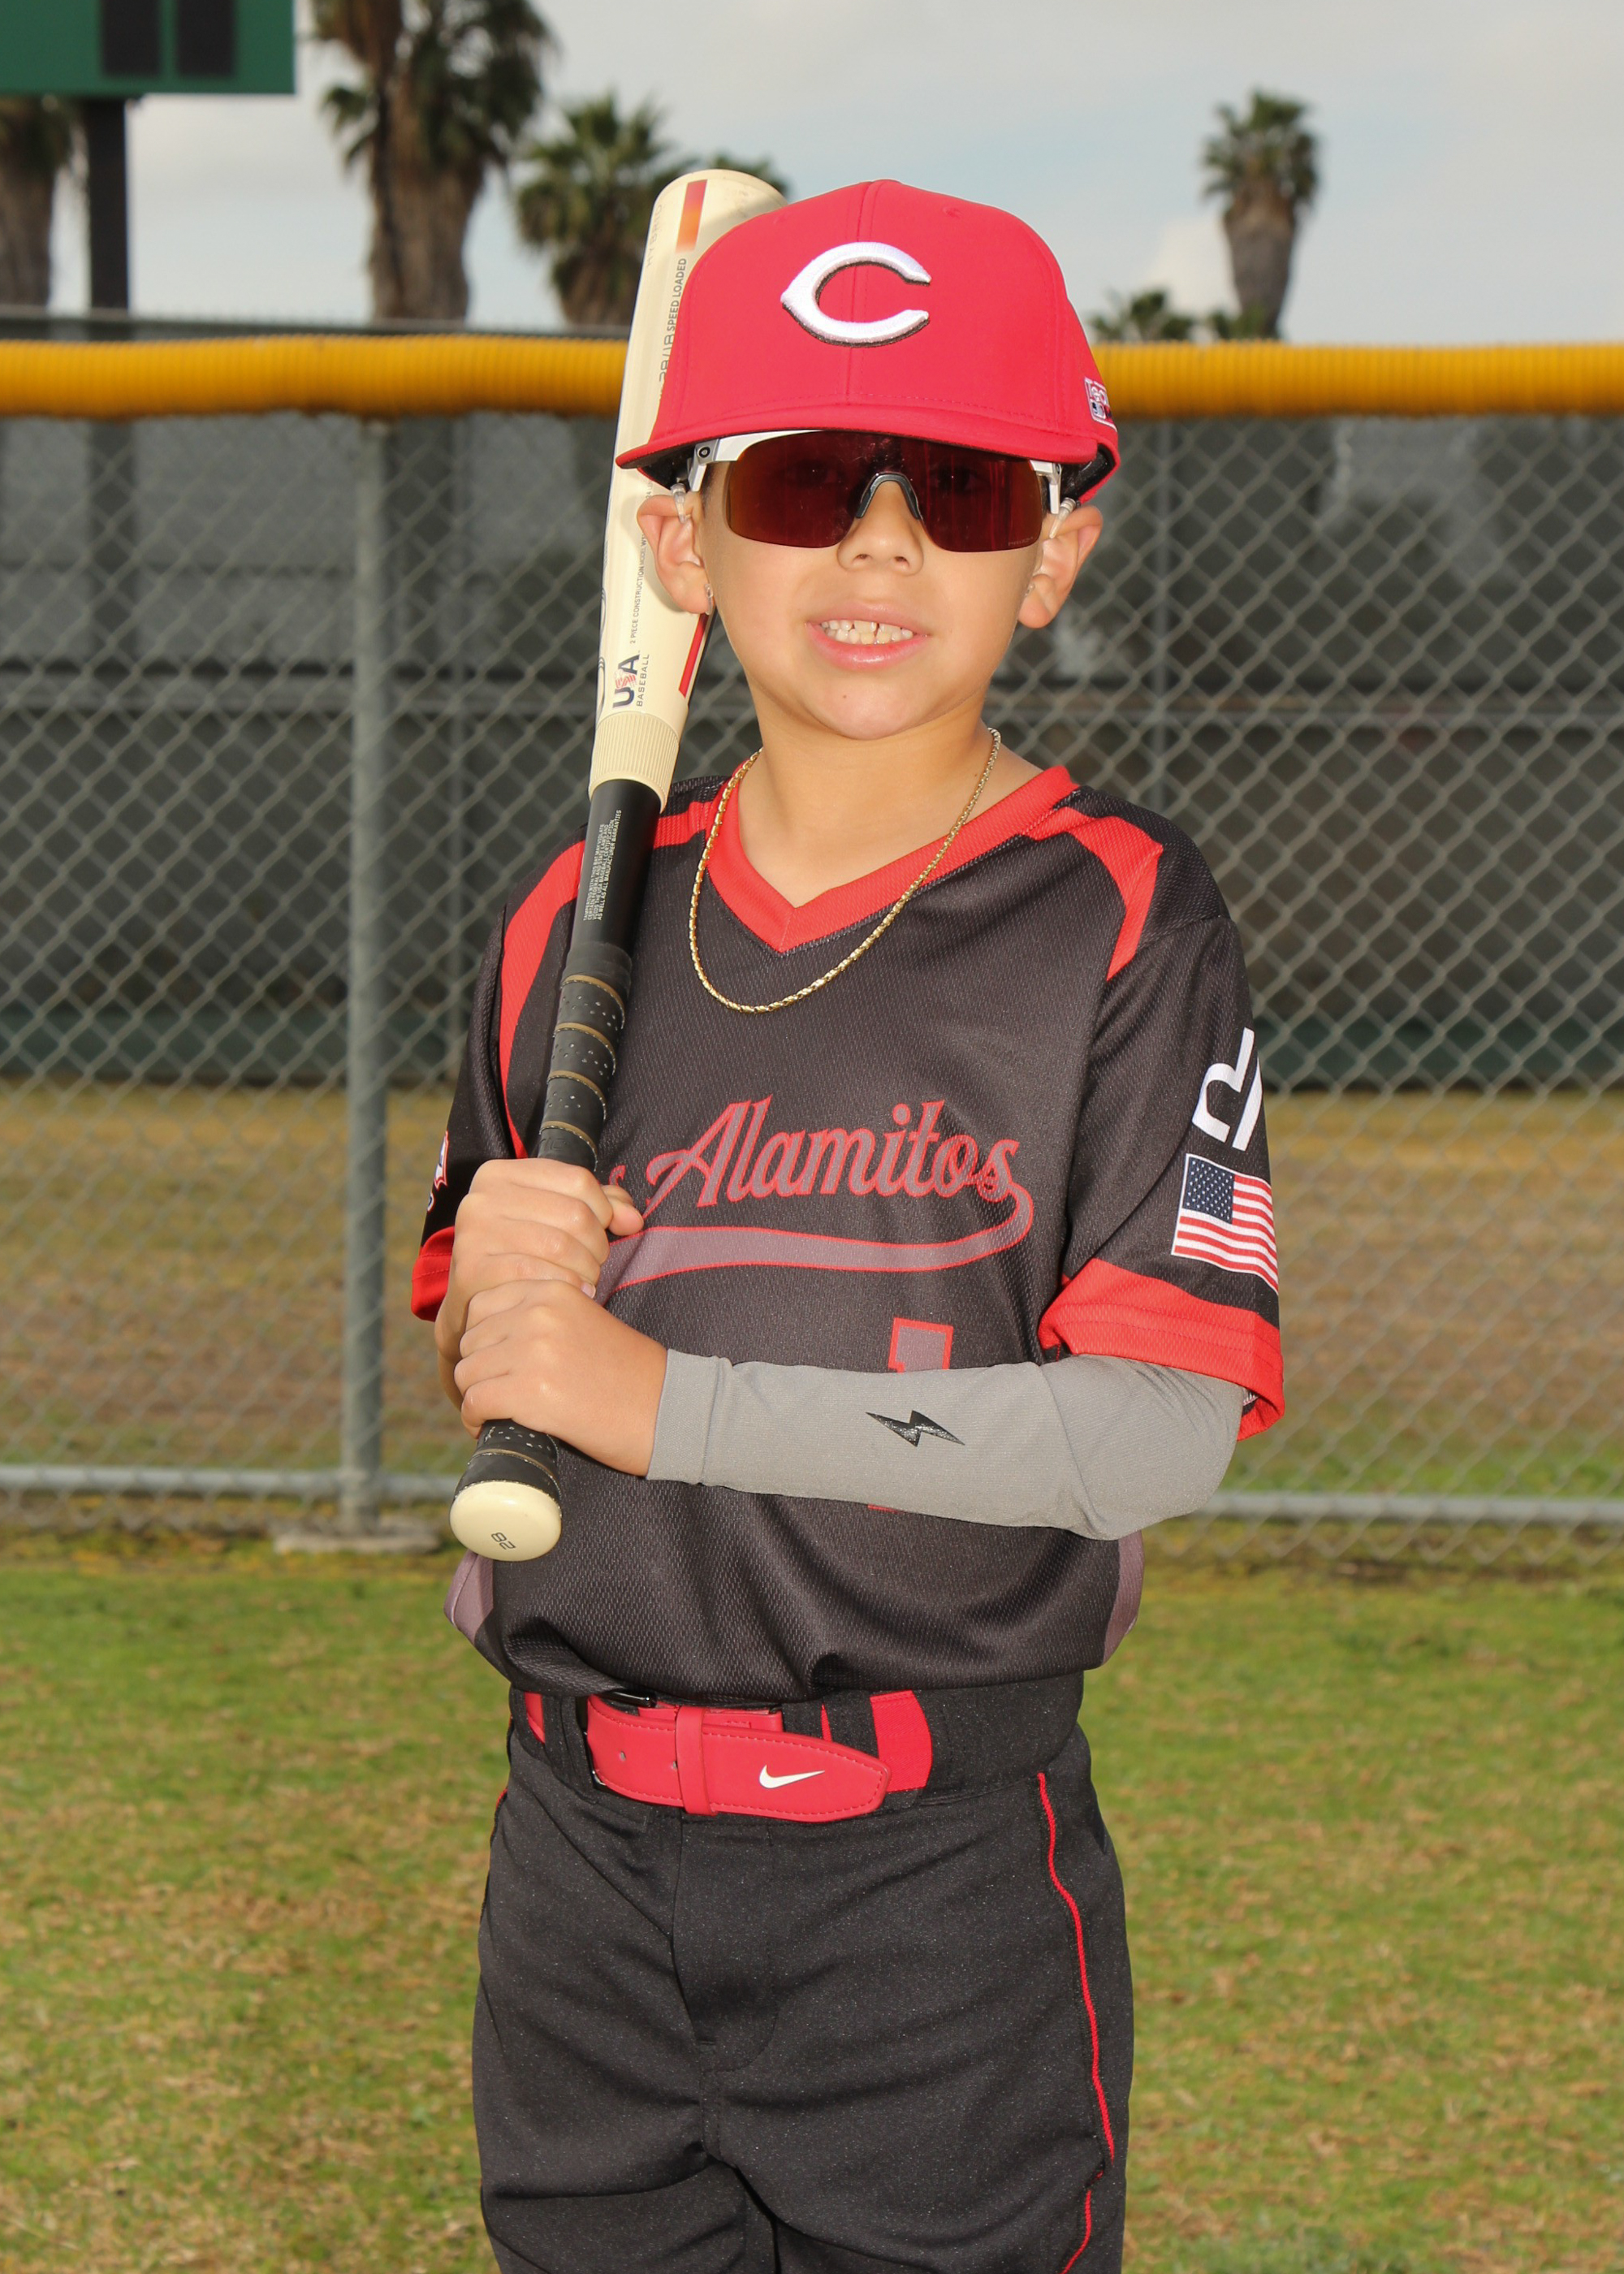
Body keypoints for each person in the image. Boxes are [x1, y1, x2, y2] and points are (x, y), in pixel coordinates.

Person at [412, 179, 1283, 2274]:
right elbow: (497, 1354)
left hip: (931, 1891)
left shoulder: (1117, 912)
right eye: (805, 483)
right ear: (682, 545)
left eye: (959, 491)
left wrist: (664, 1400)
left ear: (1053, 555)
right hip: (580, 1864)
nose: (878, 547)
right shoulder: (575, 919)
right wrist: (501, 1304)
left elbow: (1156, 1433)